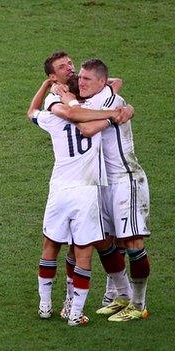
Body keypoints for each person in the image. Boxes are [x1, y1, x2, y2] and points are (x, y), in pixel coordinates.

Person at [39, 52, 136, 320]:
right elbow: (81, 121)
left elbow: (114, 82)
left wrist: (89, 97)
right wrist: (115, 114)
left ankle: (60, 304)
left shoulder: (80, 100)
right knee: (89, 246)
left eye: (75, 68)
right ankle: (79, 307)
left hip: (70, 187)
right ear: (52, 76)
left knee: (79, 243)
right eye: (64, 68)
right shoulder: (60, 103)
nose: (71, 70)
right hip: (90, 186)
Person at [56, 59, 151, 322]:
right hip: (100, 183)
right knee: (106, 241)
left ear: (100, 83)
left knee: (132, 243)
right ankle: (121, 295)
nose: (81, 83)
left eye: (87, 79)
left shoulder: (110, 101)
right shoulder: (97, 98)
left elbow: (86, 129)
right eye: (81, 78)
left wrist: (119, 110)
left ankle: (139, 303)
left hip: (125, 179)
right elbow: (115, 80)